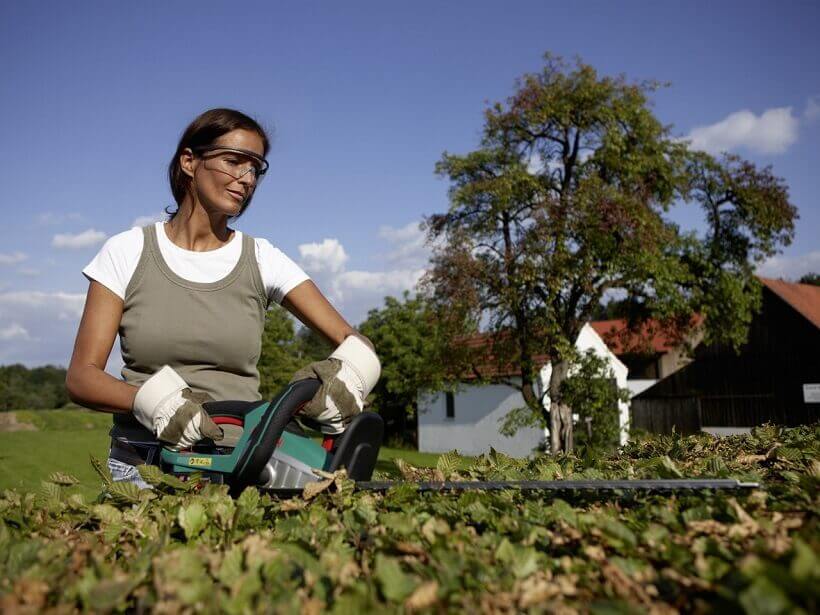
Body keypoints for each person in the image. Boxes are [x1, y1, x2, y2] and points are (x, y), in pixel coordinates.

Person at [65, 108, 378, 488]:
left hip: (242, 462)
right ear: (189, 162)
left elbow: (355, 343)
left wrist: (351, 377)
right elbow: (82, 377)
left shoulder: (262, 258)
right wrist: (150, 403)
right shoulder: (127, 251)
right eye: (233, 162)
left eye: (255, 169)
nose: (246, 179)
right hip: (144, 463)